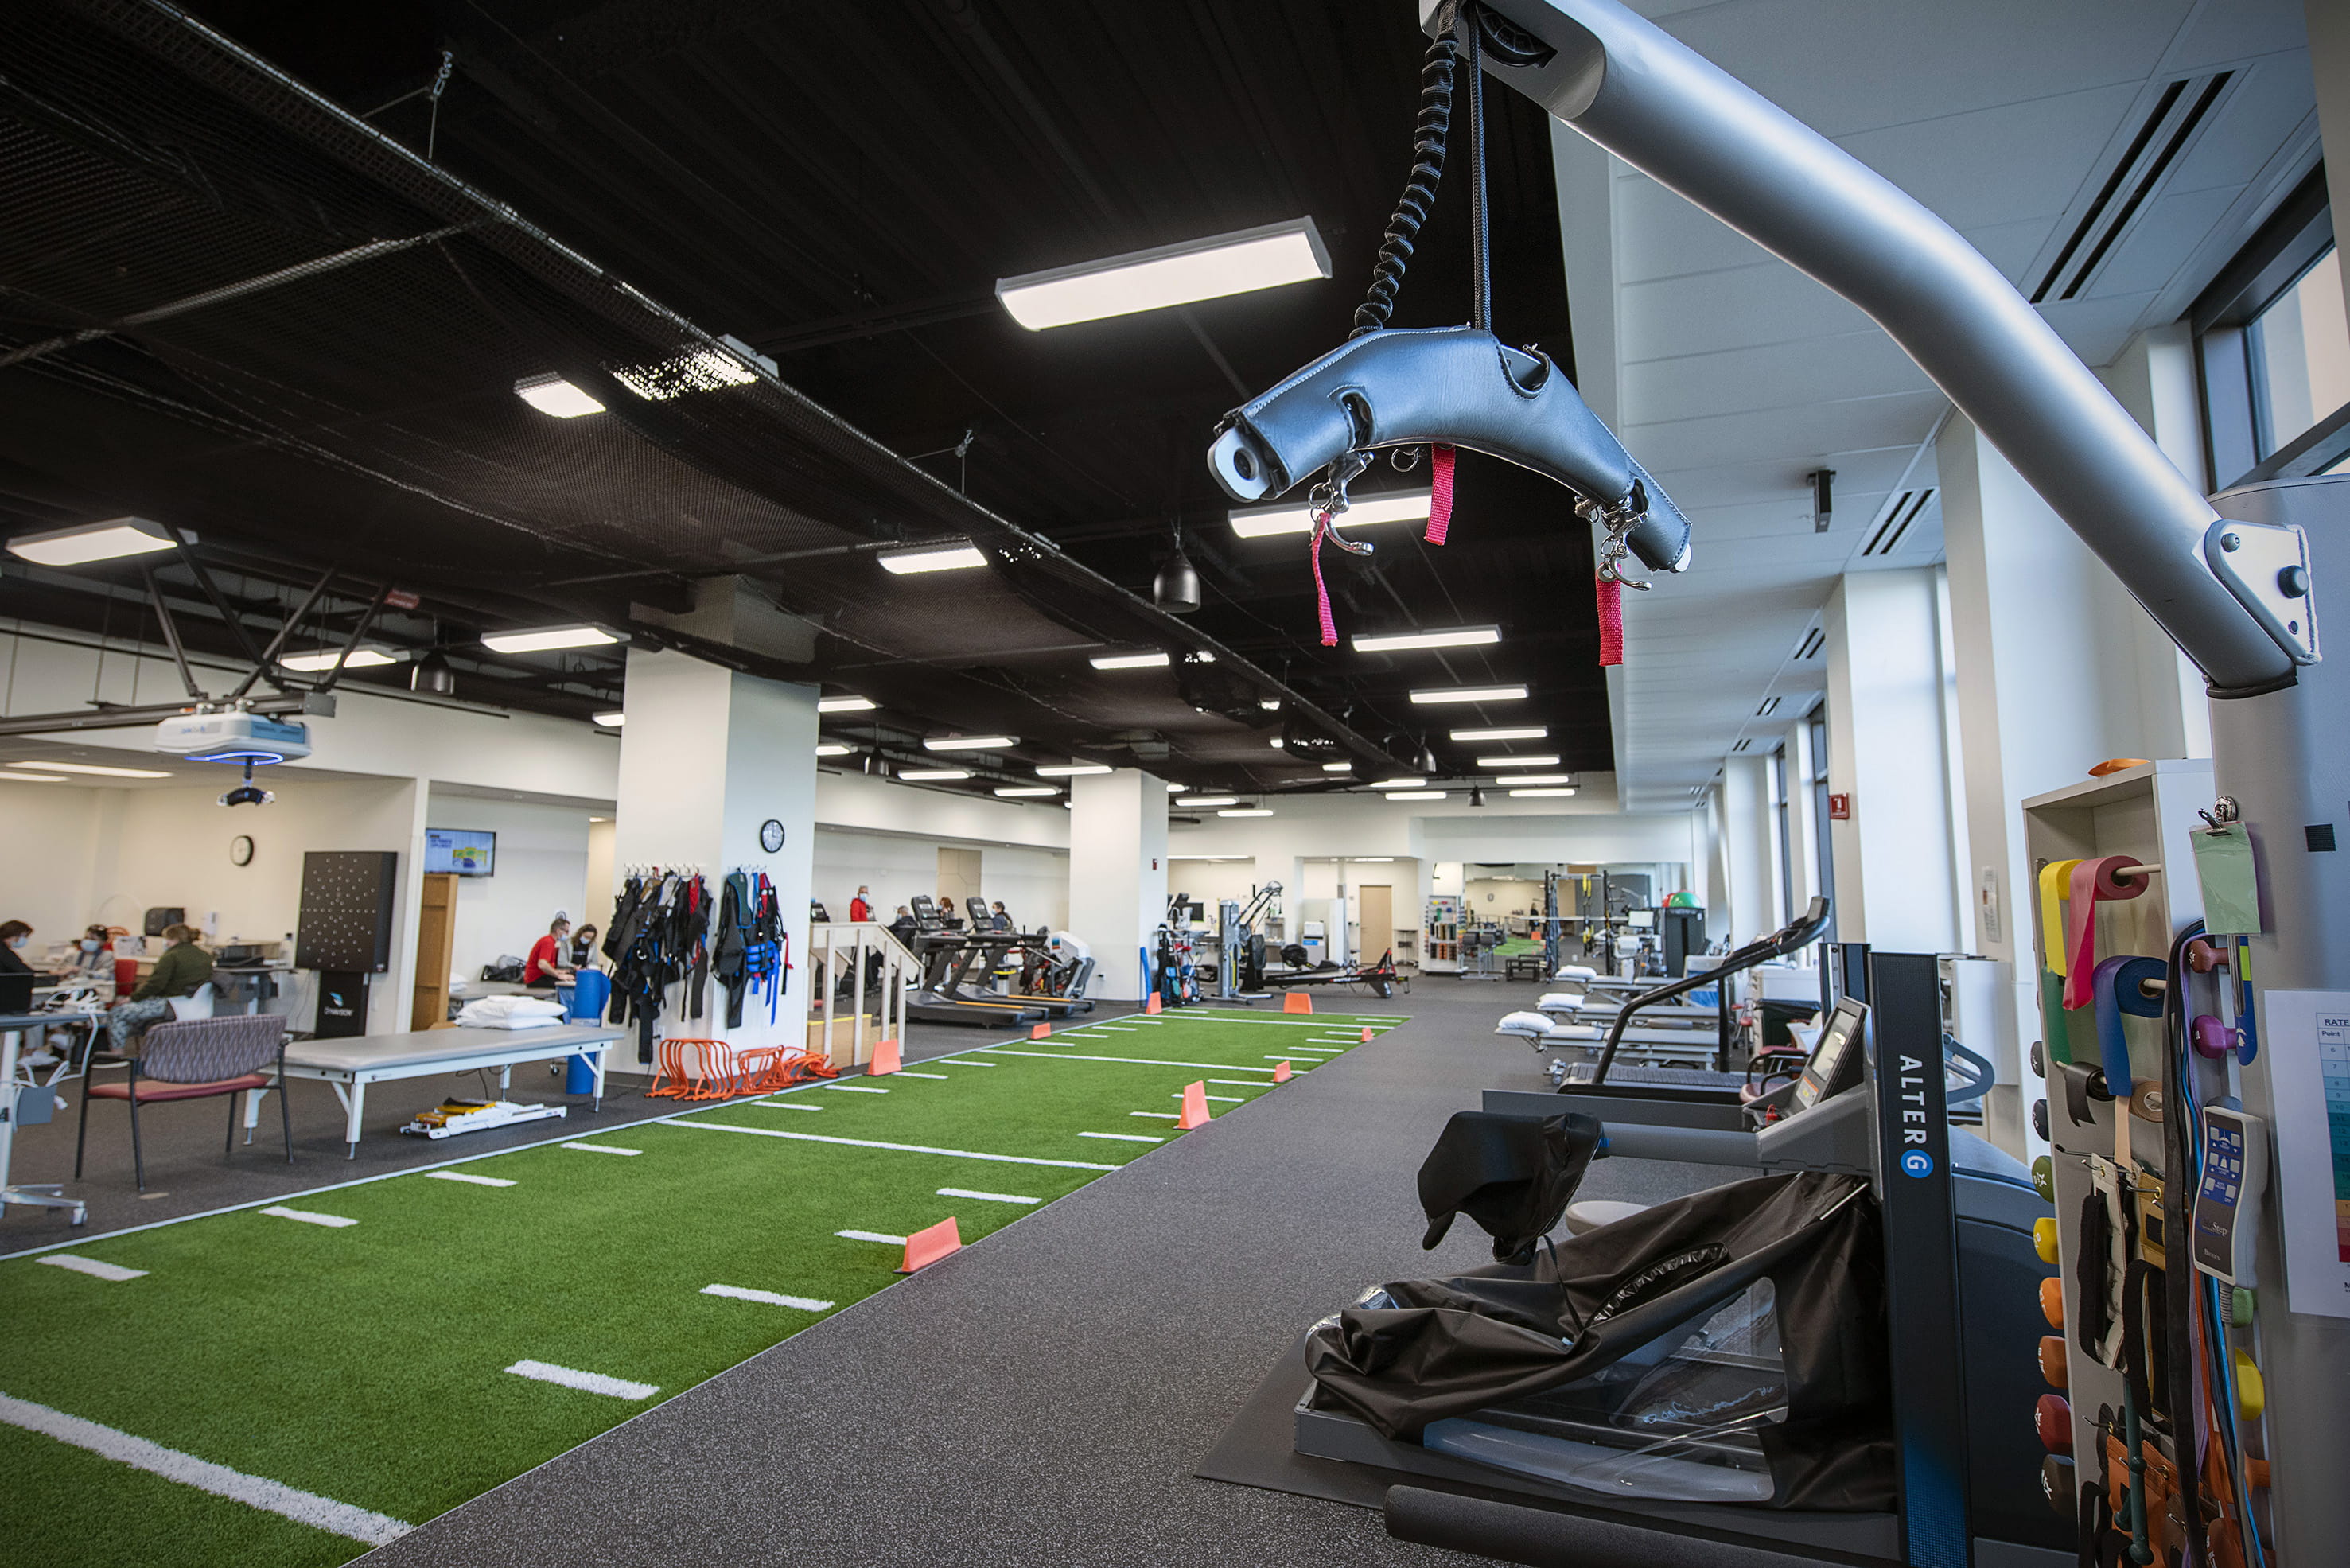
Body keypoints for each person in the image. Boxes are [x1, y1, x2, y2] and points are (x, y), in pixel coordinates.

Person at [105, 924, 213, 1051]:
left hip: (171, 1004)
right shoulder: (205, 956)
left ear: (173, 939)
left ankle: (116, 1053)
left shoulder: (171, 956)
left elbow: (156, 984)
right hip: (196, 1005)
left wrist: (133, 998)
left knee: (118, 1012)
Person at [525, 916, 577, 989]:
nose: (568, 934)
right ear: (558, 931)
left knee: (570, 976)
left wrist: (559, 971)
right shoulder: (548, 942)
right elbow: (542, 965)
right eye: (567, 931)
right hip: (536, 979)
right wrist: (558, 975)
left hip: (540, 977)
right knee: (572, 981)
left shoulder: (550, 942)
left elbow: (547, 966)